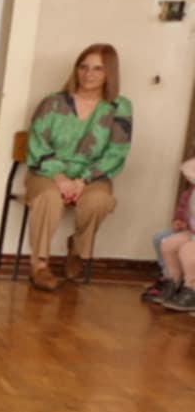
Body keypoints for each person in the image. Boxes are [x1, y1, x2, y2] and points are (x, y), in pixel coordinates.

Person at [22, 44, 133, 292]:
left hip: (92, 176)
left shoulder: (119, 107)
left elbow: (116, 152)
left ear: (109, 73)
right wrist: (60, 178)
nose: (88, 74)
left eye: (97, 69)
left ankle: (77, 250)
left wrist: (83, 180)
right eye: (83, 67)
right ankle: (39, 265)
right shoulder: (52, 103)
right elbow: (36, 144)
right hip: (48, 172)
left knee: (99, 200)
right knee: (49, 197)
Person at [142, 157, 195, 312]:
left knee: (187, 251)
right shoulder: (191, 192)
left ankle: (191, 288)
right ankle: (174, 281)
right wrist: (179, 219)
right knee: (167, 243)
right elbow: (184, 207)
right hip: (191, 230)